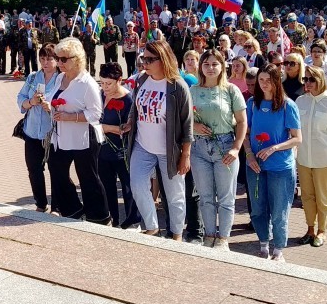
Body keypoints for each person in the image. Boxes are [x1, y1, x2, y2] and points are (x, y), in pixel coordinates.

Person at [127, 41, 193, 240]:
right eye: (143, 59)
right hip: (142, 145)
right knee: (137, 185)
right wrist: (131, 121)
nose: (144, 63)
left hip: (169, 150)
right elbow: (135, 105)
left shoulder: (177, 86)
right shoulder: (141, 79)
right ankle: (152, 226)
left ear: (163, 59)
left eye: (150, 59)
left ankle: (177, 234)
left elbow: (187, 123)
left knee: (174, 196)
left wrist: (186, 155)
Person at [43, 38, 111, 224]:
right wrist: (47, 105)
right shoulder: (59, 77)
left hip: (84, 136)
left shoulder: (87, 83)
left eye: (64, 59)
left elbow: (96, 114)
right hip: (62, 135)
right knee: (56, 170)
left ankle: (100, 217)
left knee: (87, 176)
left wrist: (70, 117)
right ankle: (72, 209)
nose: (60, 63)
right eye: (58, 58)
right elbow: (53, 98)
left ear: (77, 58)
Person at [244, 64, 302, 262]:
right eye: (261, 80)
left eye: (269, 80)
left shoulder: (287, 105)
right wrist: (250, 154)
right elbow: (246, 133)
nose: (264, 84)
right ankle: (263, 244)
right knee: (258, 209)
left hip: (280, 167)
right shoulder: (253, 103)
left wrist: (275, 147)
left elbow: (297, 138)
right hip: (256, 166)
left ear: (277, 81)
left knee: (279, 210)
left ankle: (278, 249)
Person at [190, 50, 247, 250]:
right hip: (199, 148)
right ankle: (209, 235)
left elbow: (241, 121)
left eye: (215, 64)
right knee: (205, 197)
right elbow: (183, 119)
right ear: (201, 67)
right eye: (206, 64)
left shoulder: (231, 90)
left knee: (225, 197)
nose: (211, 68)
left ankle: (223, 238)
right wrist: (193, 126)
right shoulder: (193, 90)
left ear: (223, 66)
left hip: (225, 147)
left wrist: (236, 148)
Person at [295, 66, 327, 248]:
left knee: (323, 196)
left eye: (311, 79)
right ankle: (310, 229)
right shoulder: (300, 101)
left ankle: (322, 230)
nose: (307, 83)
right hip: (303, 157)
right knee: (307, 196)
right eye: (305, 79)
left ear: (321, 80)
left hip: (324, 158)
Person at [16, 44, 61, 213]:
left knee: (55, 170)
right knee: (34, 169)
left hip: (52, 132)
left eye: (49, 59)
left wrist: (51, 107)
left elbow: (67, 102)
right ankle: (41, 203)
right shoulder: (34, 77)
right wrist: (30, 102)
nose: (45, 62)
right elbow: (20, 97)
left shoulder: (61, 78)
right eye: (42, 59)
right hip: (32, 131)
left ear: (56, 60)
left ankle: (57, 205)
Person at [98, 62, 140, 228]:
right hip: (102, 150)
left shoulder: (128, 100)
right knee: (106, 187)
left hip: (122, 152)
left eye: (108, 83)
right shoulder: (100, 95)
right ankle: (113, 220)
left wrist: (104, 128)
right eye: (102, 82)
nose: (105, 87)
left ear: (119, 80)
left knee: (128, 188)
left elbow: (126, 129)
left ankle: (132, 221)